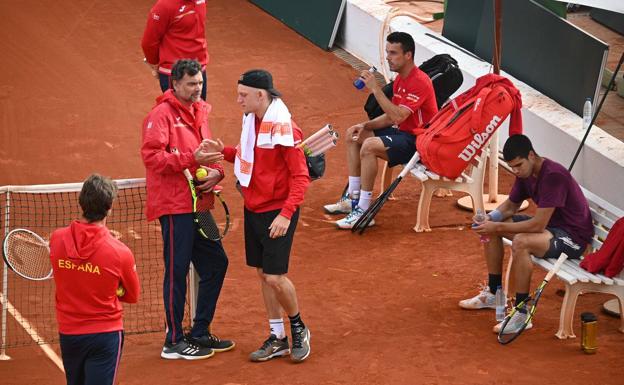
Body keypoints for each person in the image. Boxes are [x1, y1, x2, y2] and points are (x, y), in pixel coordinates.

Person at [204, 69, 312, 362]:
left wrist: (286, 215)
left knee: (276, 277)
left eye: (243, 95)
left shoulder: (285, 129)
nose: (238, 100)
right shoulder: (253, 122)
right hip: (253, 207)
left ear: (260, 95)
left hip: (278, 211)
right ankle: (277, 337)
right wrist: (222, 152)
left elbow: (300, 176)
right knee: (264, 274)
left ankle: (299, 327)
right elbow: (247, 156)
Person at [141, 59, 234, 360]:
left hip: (200, 205)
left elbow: (208, 153)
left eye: (200, 83)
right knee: (177, 271)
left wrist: (218, 170)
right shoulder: (161, 116)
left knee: (216, 263)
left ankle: (199, 331)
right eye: (192, 84)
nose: (198, 89)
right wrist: (189, 159)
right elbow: (153, 158)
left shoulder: (200, 112)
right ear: (175, 84)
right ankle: (174, 340)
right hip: (174, 206)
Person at [462, 134, 594, 334]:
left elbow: (538, 225)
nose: (515, 171)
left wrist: (496, 227)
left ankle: (522, 313)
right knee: (496, 225)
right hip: (552, 230)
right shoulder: (525, 174)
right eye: (512, 167)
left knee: (522, 242)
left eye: (518, 165)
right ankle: (494, 295)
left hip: (573, 238)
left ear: (531, 155)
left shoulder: (553, 176)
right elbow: (511, 205)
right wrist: (491, 219)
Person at [323, 31, 438, 229]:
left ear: (408, 55)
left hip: (418, 142)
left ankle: (364, 211)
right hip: (402, 134)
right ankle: (352, 199)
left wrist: (376, 88)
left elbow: (398, 116)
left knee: (369, 146)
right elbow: (391, 115)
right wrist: (365, 125)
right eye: (387, 52)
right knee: (354, 134)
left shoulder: (420, 81)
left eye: (393, 53)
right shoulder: (401, 78)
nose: (387, 57)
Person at [49, 174, 140, 385]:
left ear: (81, 202)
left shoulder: (57, 238)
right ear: (109, 208)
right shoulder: (120, 252)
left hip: (69, 333)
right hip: (105, 336)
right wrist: (114, 288)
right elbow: (132, 295)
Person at [141, 0, 209, 100]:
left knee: (199, 112)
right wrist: (154, 64)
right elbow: (149, 42)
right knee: (179, 114)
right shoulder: (164, 5)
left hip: (199, 69)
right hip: (175, 73)